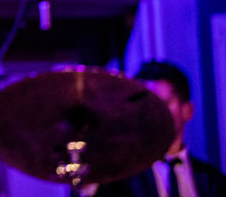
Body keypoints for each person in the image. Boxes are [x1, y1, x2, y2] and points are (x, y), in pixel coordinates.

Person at [94, 61, 226, 197]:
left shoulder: (213, 180)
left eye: (163, 103)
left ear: (187, 111)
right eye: (144, 105)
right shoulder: (119, 181)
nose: (152, 112)